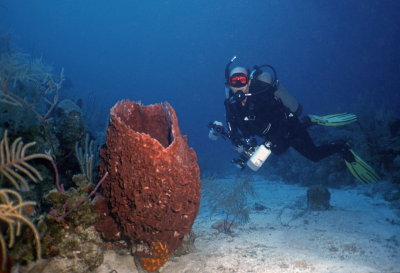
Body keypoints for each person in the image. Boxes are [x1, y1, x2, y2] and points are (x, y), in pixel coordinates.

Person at [208, 56, 380, 184]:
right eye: (234, 81)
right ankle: (301, 127)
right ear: (229, 84)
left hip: (288, 127)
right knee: (279, 150)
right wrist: (230, 137)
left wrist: (267, 144)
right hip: (270, 136)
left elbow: (282, 122)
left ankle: (338, 142)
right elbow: (234, 129)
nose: (238, 85)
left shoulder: (262, 96)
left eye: (242, 80)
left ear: (249, 81)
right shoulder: (231, 104)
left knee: (314, 155)